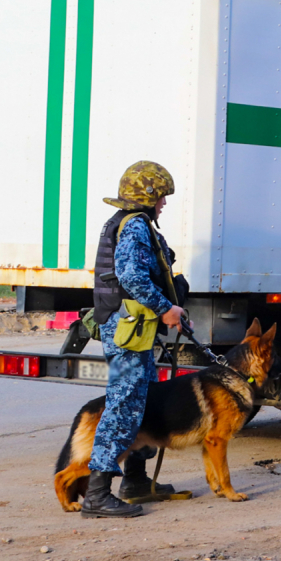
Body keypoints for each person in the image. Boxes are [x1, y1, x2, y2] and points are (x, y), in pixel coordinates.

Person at [85, 161, 186, 518]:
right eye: (161, 196)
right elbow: (132, 277)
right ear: (147, 195)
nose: (164, 203)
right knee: (123, 407)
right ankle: (96, 493)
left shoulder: (130, 224)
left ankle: (136, 480)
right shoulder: (135, 226)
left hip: (131, 329)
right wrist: (165, 309)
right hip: (128, 331)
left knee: (138, 403)